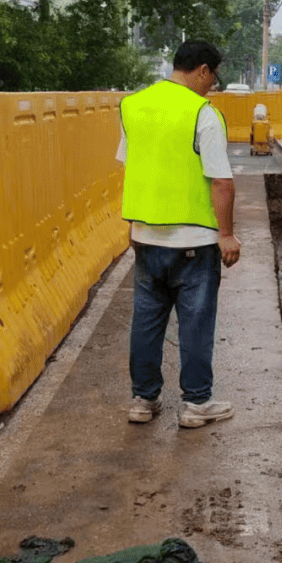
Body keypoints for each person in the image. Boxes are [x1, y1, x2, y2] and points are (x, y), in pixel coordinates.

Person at [117, 39, 241, 428]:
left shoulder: (133, 106)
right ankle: (196, 404)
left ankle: (142, 399)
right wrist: (227, 234)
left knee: (147, 320)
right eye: (213, 77)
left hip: (146, 237)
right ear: (202, 70)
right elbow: (221, 181)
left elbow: (130, 164)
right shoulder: (202, 113)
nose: (213, 86)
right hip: (194, 243)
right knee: (195, 323)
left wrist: (134, 227)